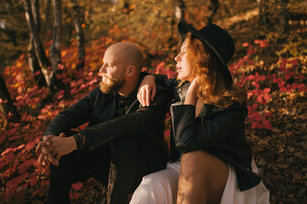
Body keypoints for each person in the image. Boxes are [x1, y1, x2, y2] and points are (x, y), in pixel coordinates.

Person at [131, 22, 270, 204]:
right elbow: (160, 79)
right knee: (151, 185)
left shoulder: (231, 106)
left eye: (184, 51)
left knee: (192, 157)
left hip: (227, 173)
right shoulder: (180, 87)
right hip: (185, 168)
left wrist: (190, 99)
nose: (176, 57)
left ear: (203, 58)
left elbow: (187, 144)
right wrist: (149, 78)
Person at [35, 42, 172, 204]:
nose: (101, 71)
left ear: (130, 71)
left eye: (109, 65)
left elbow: (132, 122)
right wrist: (49, 140)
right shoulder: (104, 91)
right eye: (103, 64)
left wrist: (78, 140)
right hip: (109, 163)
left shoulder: (155, 93)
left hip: (144, 170)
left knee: (123, 139)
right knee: (62, 142)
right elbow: (67, 116)